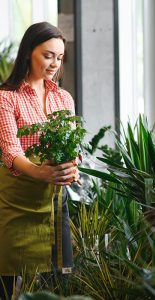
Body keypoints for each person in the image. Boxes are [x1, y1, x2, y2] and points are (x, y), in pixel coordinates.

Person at [0, 22, 79, 299]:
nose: (55, 64)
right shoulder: (6, 98)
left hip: (55, 202)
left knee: (57, 284)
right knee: (12, 283)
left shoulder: (64, 99)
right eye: (48, 55)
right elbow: (11, 150)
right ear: (28, 52)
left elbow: (73, 146)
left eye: (59, 57)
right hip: (18, 203)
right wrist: (40, 172)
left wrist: (72, 167)